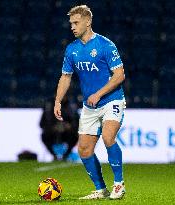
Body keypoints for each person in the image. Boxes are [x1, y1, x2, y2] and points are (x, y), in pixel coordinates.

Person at [54, 5, 126, 200]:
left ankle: (118, 184)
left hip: (112, 100)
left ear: (88, 22)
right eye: (71, 23)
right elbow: (65, 77)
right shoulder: (72, 50)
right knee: (84, 150)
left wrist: (99, 93)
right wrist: (58, 101)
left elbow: (119, 76)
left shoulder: (105, 45)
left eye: (76, 23)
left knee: (109, 137)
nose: (72, 27)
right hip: (90, 106)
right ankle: (101, 189)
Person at [40, 96, 79, 161]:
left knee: (74, 136)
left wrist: (69, 126)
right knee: (44, 135)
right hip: (53, 132)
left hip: (67, 133)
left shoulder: (72, 106)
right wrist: (53, 127)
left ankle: (66, 155)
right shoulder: (48, 107)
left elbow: (78, 123)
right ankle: (54, 155)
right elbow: (42, 124)